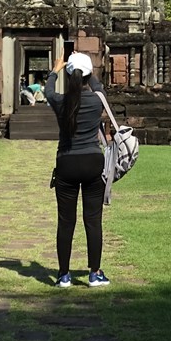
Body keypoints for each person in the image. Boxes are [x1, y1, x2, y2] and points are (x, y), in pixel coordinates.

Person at [45, 51, 111, 288]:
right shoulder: (97, 100)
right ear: (88, 75)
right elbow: (98, 86)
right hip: (93, 161)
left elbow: (48, 91)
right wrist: (88, 71)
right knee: (93, 220)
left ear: (70, 74)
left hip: (67, 162)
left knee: (66, 221)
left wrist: (56, 69)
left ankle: (64, 275)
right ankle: (94, 273)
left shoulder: (61, 102)